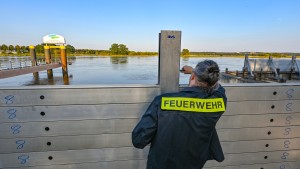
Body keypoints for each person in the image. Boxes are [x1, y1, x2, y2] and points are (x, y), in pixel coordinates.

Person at [132, 60, 227, 169]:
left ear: (192, 77)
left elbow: (138, 140)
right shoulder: (219, 102)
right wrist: (194, 72)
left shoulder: (162, 102)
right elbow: (219, 89)